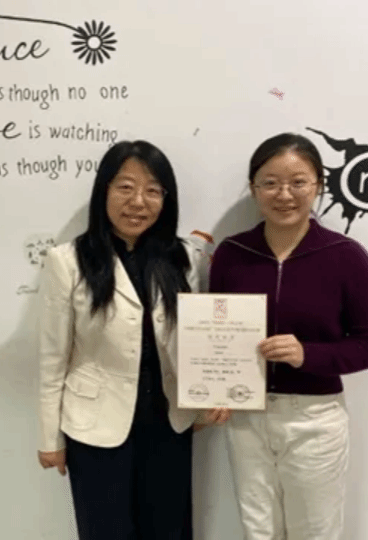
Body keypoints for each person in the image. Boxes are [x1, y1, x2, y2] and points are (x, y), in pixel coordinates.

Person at [37, 140, 229, 540]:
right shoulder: (67, 261)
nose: (138, 202)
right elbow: (53, 357)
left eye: (152, 190)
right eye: (125, 187)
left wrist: (211, 396)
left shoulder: (184, 258)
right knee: (105, 531)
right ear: (103, 190)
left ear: (165, 199)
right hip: (95, 427)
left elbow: (199, 340)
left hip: (169, 423)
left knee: (168, 530)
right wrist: (50, 437)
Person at [209, 133, 368, 540]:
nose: (284, 194)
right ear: (254, 188)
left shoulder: (346, 256)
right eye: (270, 183)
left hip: (314, 419)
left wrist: (307, 354)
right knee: (258, 531)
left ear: (318, 185)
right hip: (246, 417)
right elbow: (215, 334)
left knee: (315, 532)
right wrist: (215, 389)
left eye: (298, 182)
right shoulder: (232, 254)